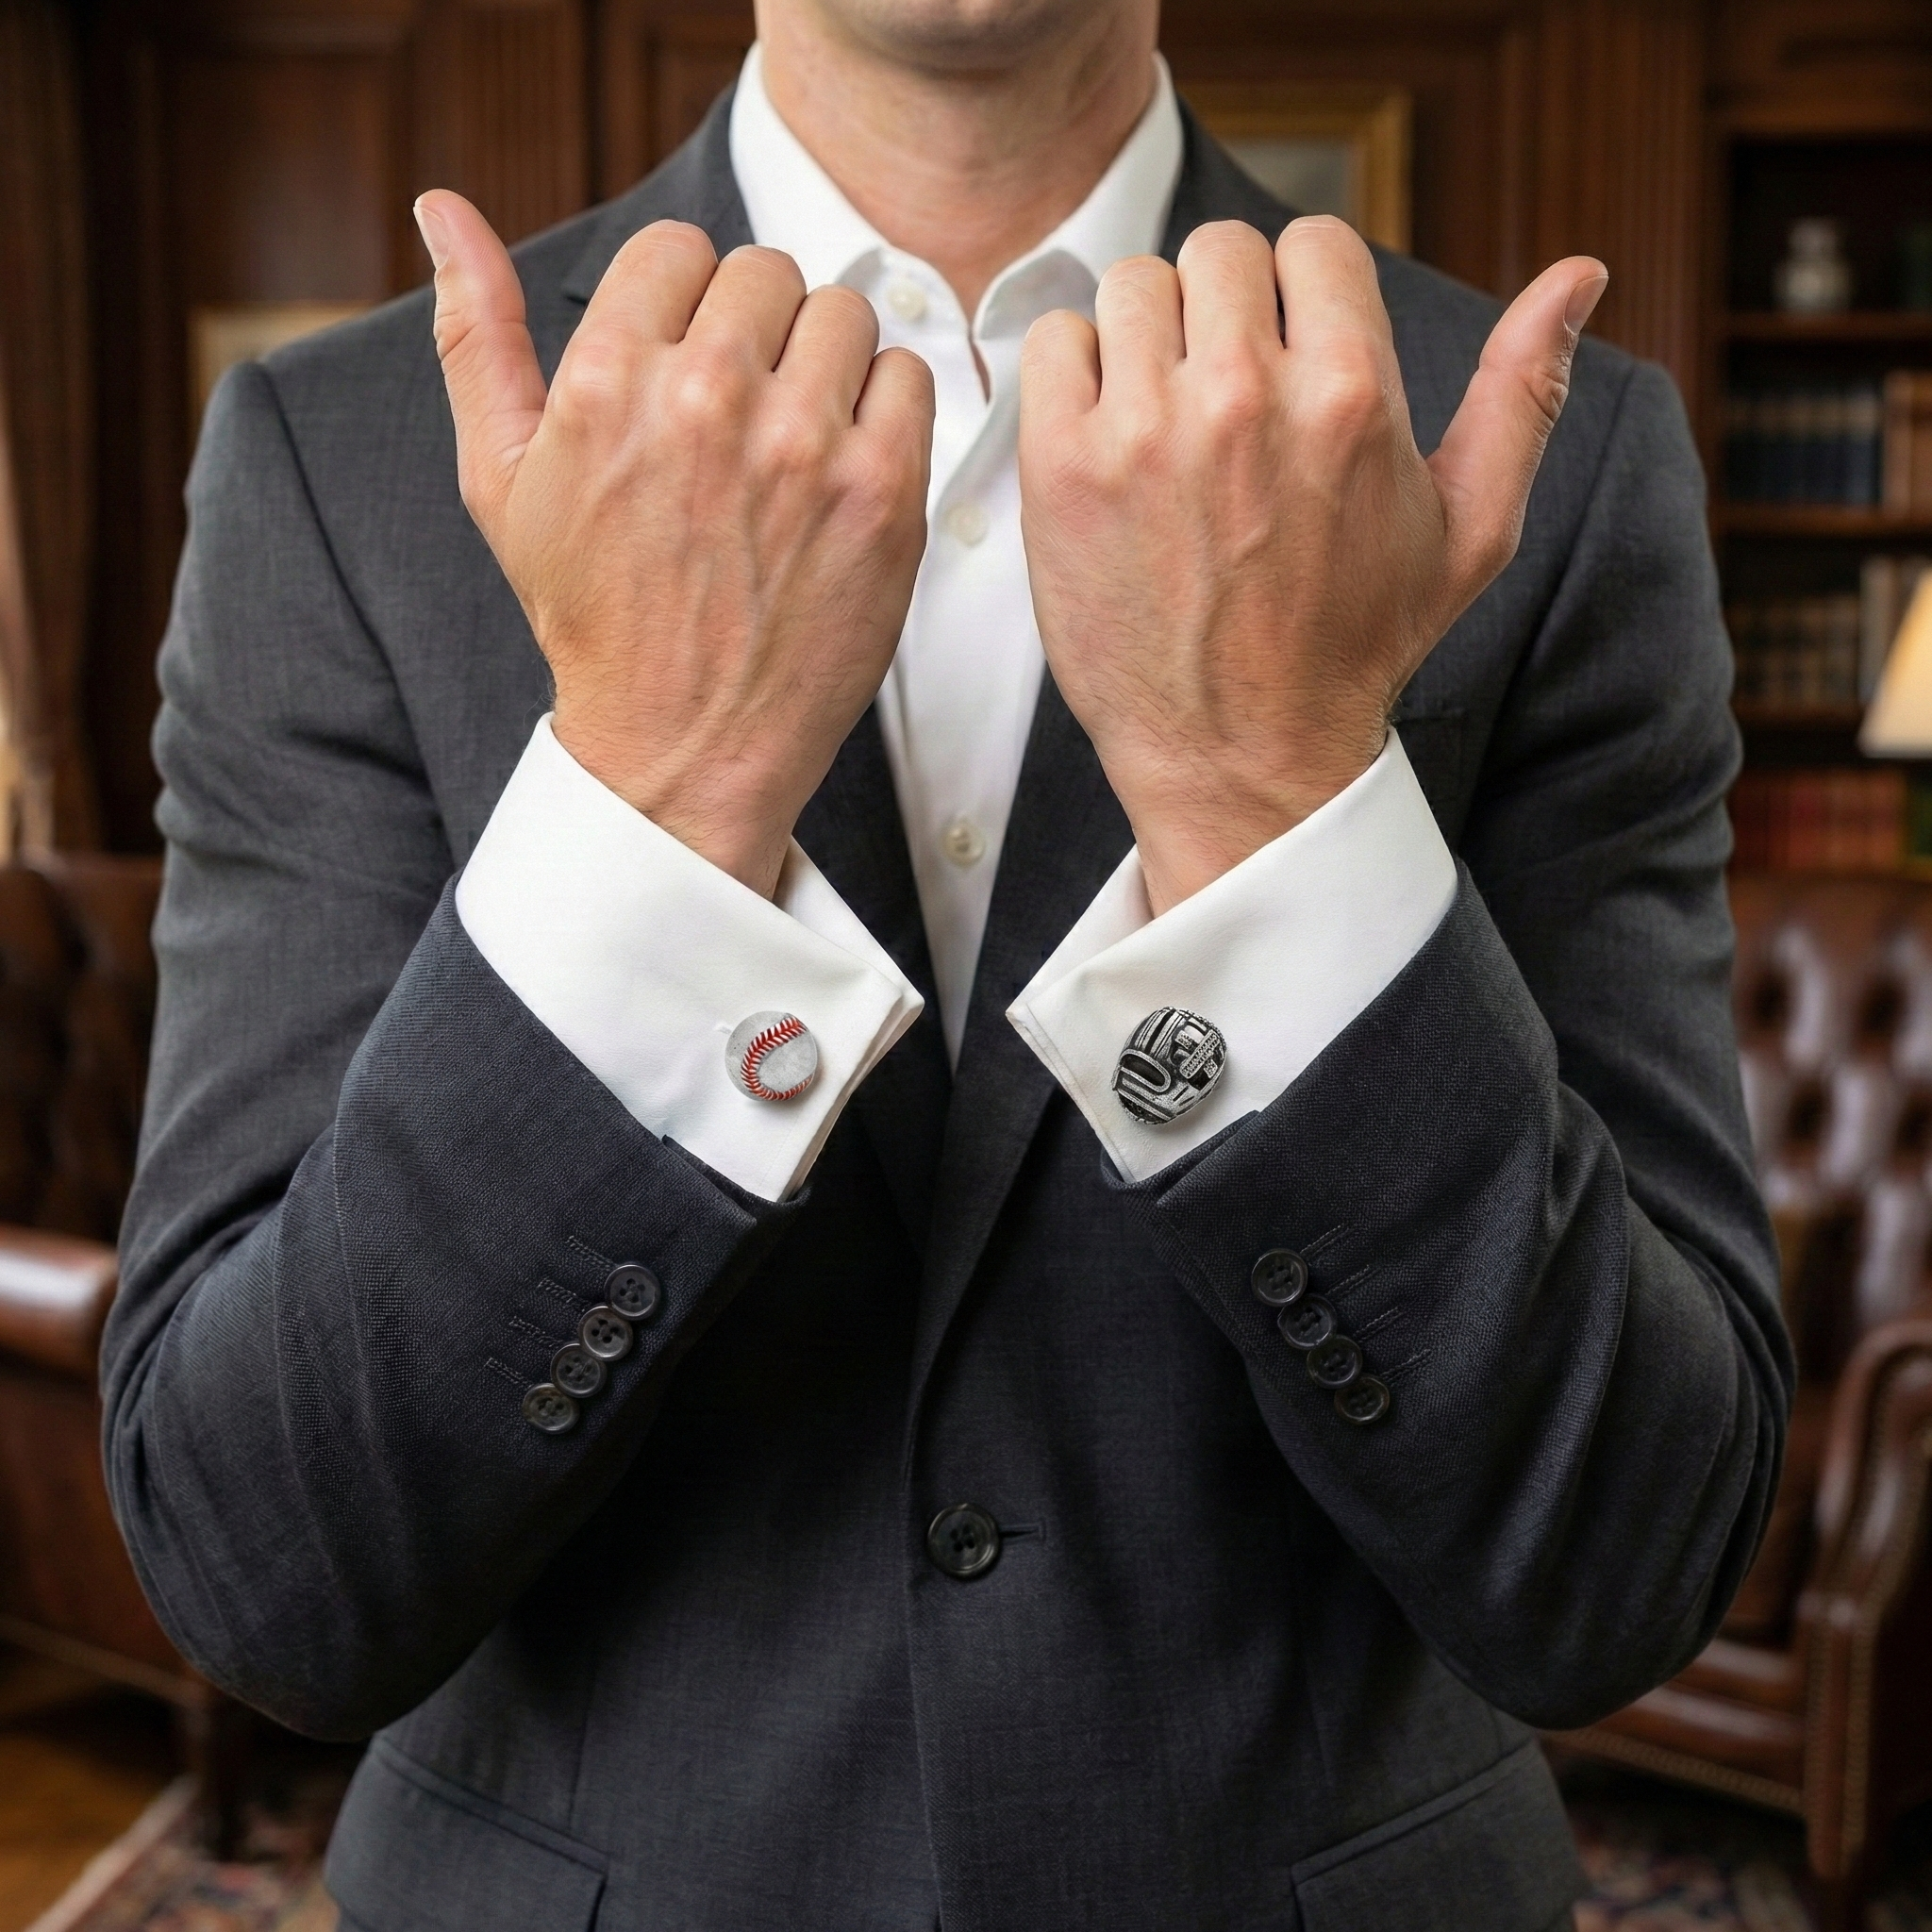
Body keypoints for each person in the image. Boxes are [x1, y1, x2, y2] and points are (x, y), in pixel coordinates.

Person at [102, 0, 1790, 1923]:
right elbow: (267, 1571)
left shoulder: (1537, 446)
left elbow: (1623, 1562)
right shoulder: (343, 457)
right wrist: (655, 798)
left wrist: (1270, 802)